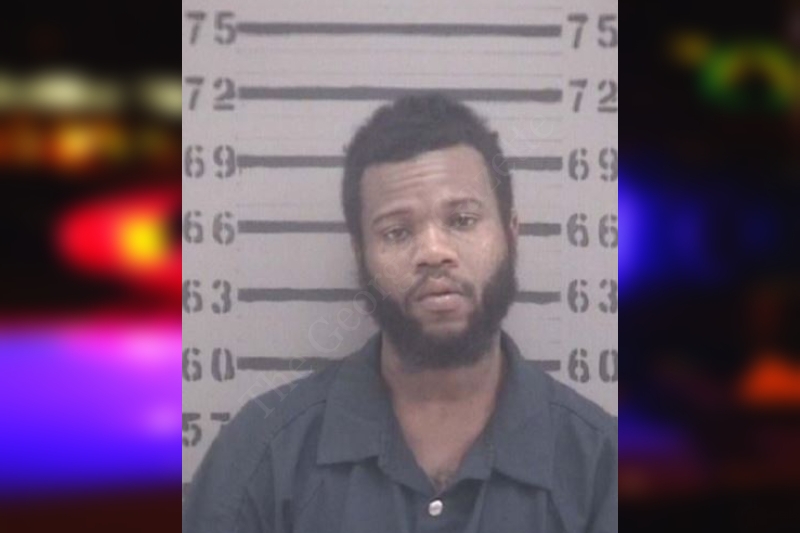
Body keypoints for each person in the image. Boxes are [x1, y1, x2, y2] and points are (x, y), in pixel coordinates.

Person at [183, 93, 617, 533]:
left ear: (511, 232)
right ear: (361, 254)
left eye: (462, 220)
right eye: (397, 231)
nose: (433, 252)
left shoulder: (603, 469)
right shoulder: (261, 455)